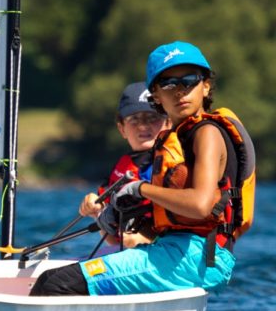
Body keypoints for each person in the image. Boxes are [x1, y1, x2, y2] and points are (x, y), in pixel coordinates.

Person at [31, 40, 256, 296]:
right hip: (180, 251)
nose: (180, 91)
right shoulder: (180, 137)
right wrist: (129, 216)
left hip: (198, 256)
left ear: (205, 87)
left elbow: (201, 205)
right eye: (169, 84)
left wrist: (141, 189)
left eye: (189, 80)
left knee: (55, 284)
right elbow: (174, 222)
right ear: (156, 96)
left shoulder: (207, 133)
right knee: (54, 278)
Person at [78, 82, 169, 248]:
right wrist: (94, 205)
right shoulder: (122, 165)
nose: (143, 126)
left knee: (130, 239)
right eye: (134, 119)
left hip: (166, 248)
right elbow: (103, 204)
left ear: (168, 123)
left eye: (152, 117)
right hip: (125, 246)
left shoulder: (174, 162)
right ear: (122, 129)